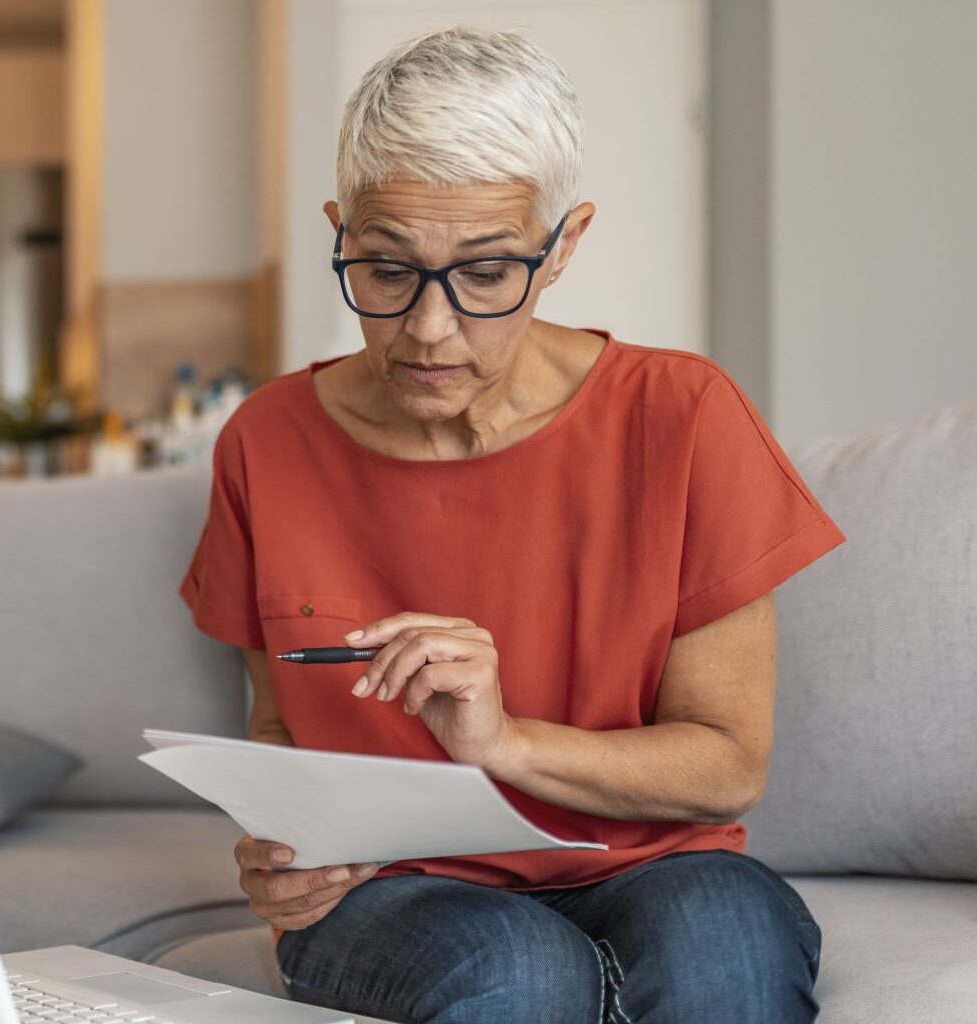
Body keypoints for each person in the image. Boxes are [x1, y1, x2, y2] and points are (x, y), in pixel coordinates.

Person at [178, 27, 841, 1024]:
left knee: (726, 947)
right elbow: (277, 722)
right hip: (390, 891)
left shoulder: (686, 416)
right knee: (518, 967)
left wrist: (502, 742)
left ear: (563, 245)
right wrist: (282, 843)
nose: (429, 329)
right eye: (385, 269)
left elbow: (727, 764)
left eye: (486, 274)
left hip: (653, 865)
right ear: (339, 229)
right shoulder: (267, 441)